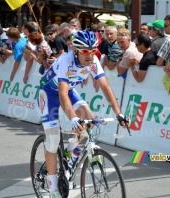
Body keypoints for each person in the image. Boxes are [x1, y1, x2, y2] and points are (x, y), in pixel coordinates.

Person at [38, 30, 129, 198]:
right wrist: (72, 118)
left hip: (69, 91)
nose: (90, 55)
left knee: (90, 119)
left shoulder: (94, 61)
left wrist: (119, 114)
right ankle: (52, 188)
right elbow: (62, 94)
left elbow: (105, 87)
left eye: (93, 50)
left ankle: (70, 152)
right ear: (76, 51)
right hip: (49, 93)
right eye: (86, 51)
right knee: (53, 140)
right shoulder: (66, 60)